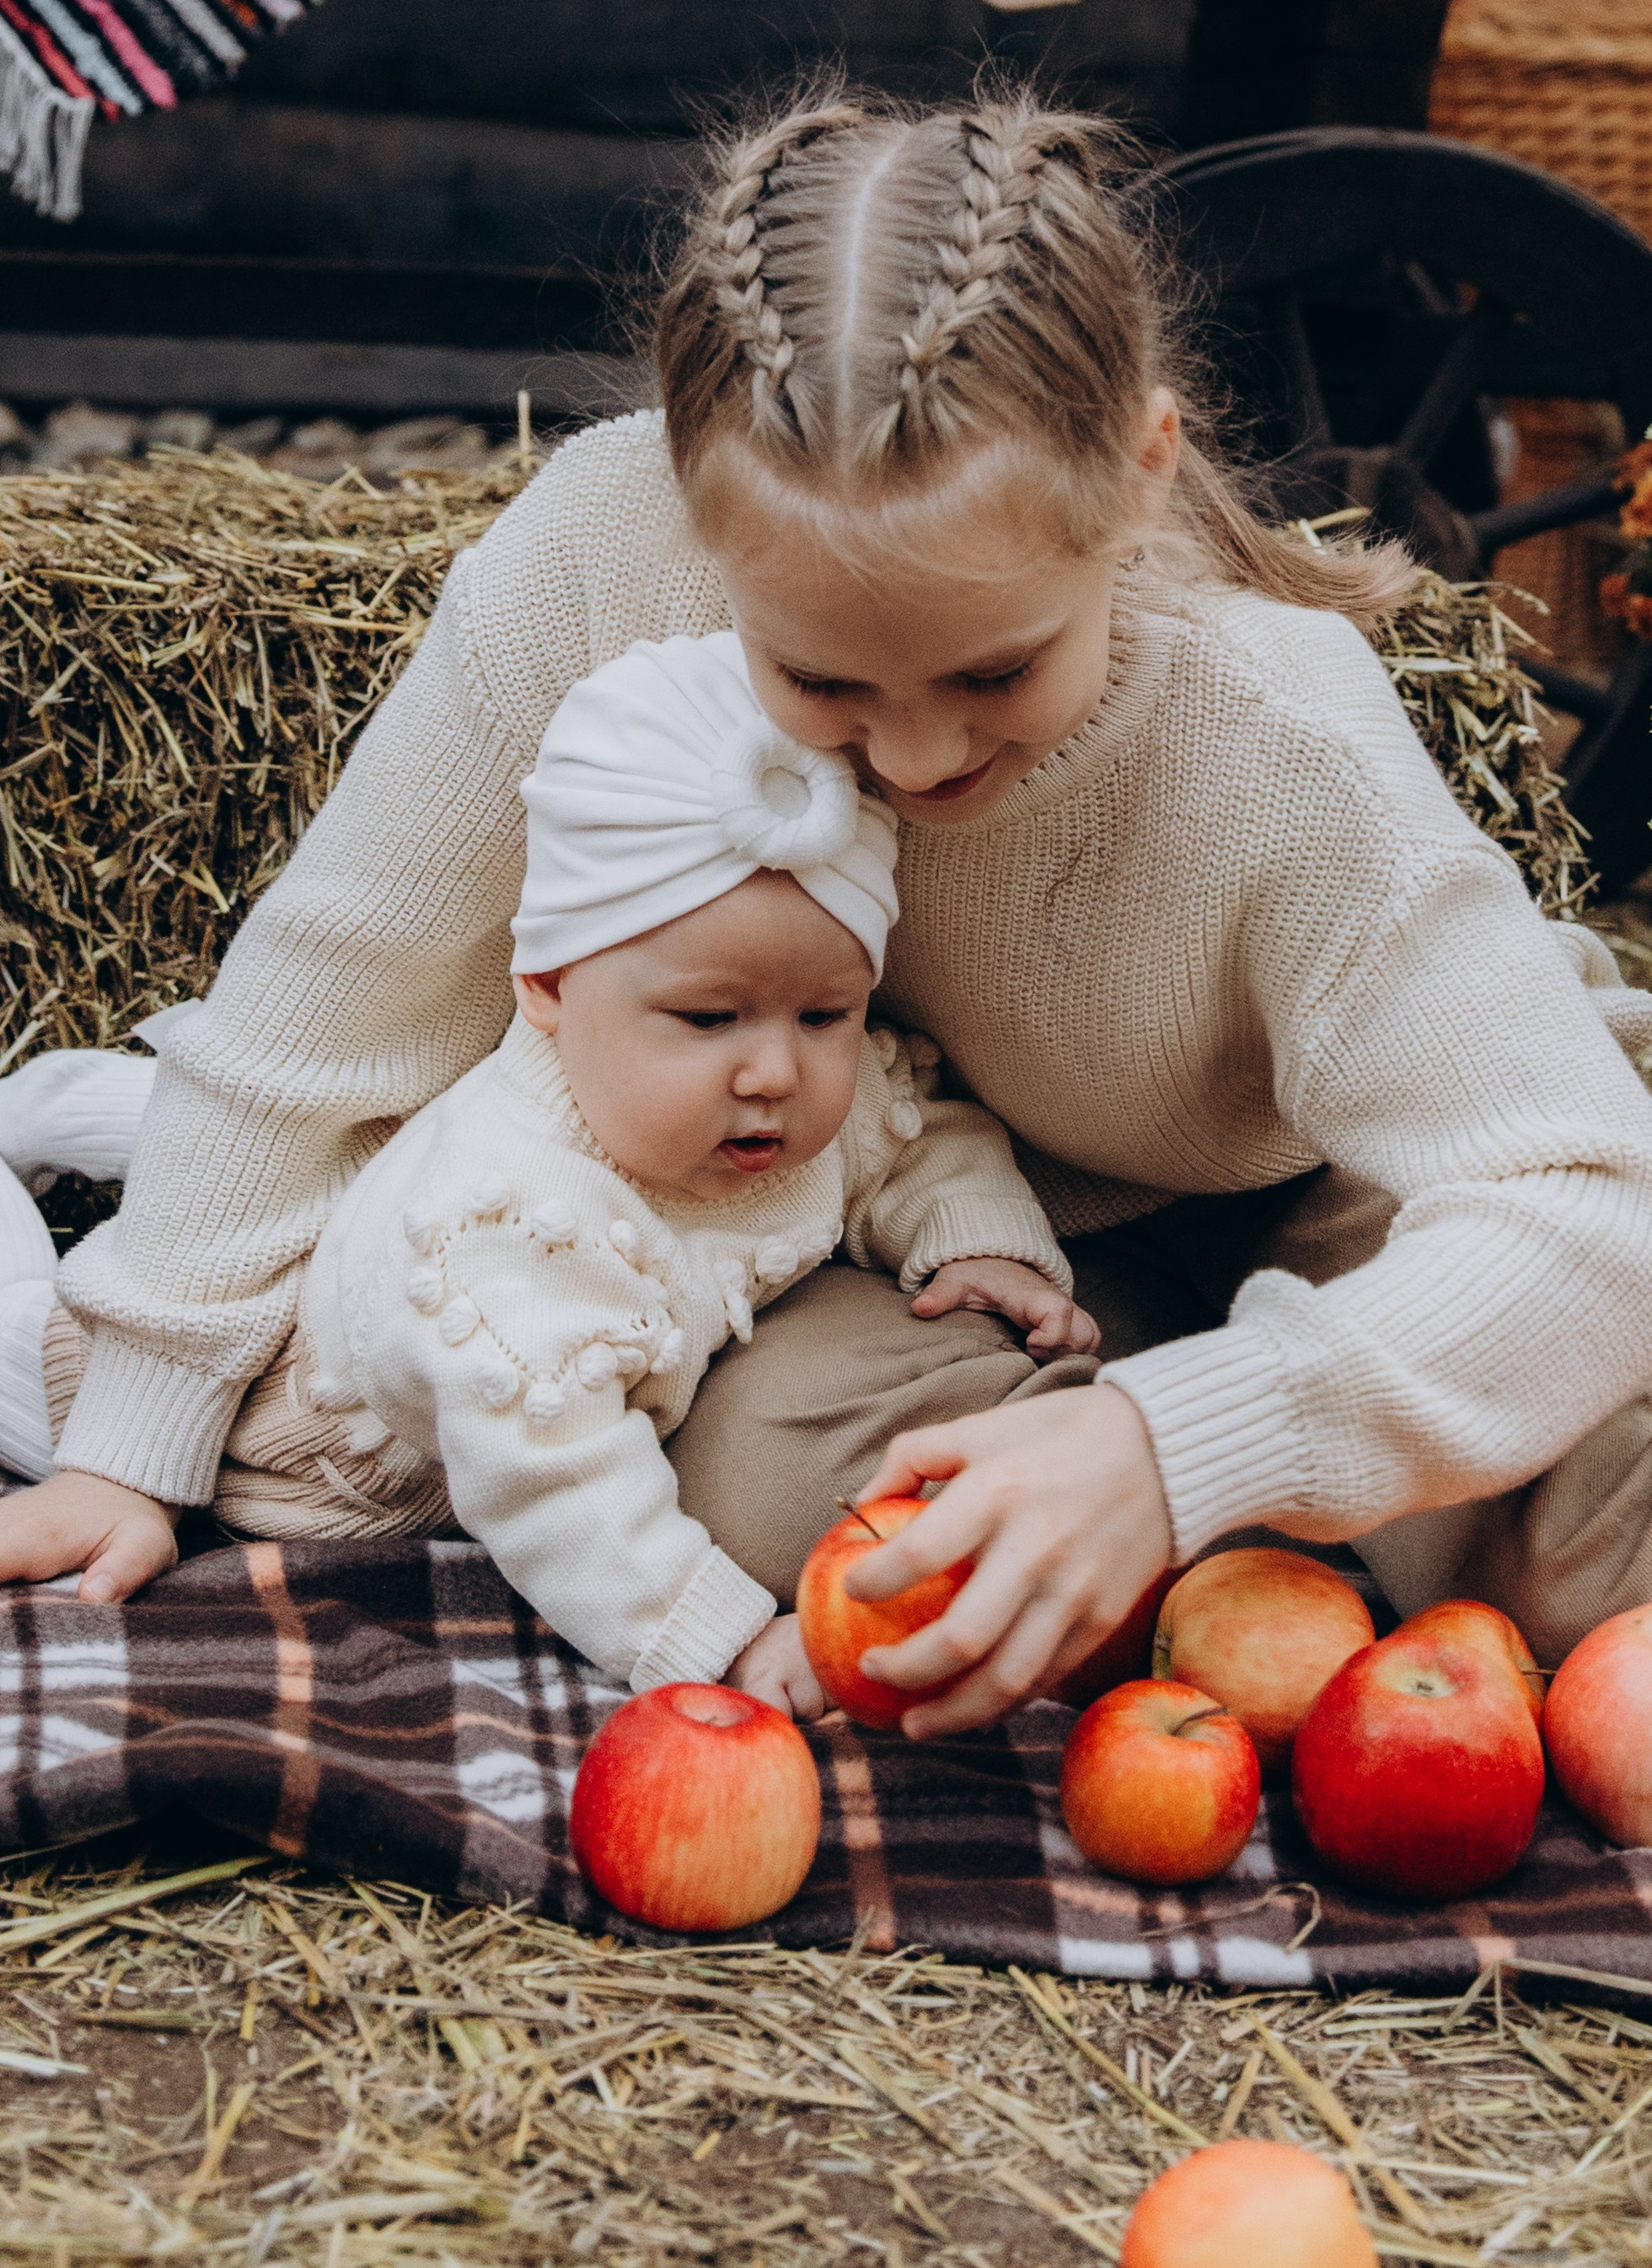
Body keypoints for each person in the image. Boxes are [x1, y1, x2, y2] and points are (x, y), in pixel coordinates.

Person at [4, 86, 1652, 1733]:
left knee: (1590, 1546)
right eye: (819, 679)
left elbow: (1578, 1205)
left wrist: (1189, 1437)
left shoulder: (1271, 729)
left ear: (1140, 475)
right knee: (776, 1491)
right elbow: (323, 1016)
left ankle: (1244, 1508)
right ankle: (1242, 1554)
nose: (921, 756)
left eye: (996, 669)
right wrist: (133, 1443)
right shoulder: (597, 548)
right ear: (697, 509)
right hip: (936, 1229)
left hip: (1327, 1191)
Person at [0, 632, 1096, 1714]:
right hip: (259, 1422)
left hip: (389, 1225)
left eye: (825, 1014)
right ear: (550, 989)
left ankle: (77, 1106)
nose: (774, 1069)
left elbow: (912, 1126)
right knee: (129, 1252)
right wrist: (714, 1635)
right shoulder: (510, 1232)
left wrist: (978, 1238)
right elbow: (560, 1484)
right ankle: (60, 1128)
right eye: (709, 1018)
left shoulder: (793, 1092)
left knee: (354, 1163)